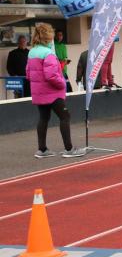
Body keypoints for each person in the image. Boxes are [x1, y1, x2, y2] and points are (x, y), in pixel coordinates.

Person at [26, 23, 86, 158]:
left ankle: (42, 150)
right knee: (65, 116)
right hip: (52, 93)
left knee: (43, 118)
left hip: (39, 93)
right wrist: (62, 84)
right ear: (48, 37)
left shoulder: (31, 52)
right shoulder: (48, 54)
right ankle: (69, 149)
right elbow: (52, 76)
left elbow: (28, 74)